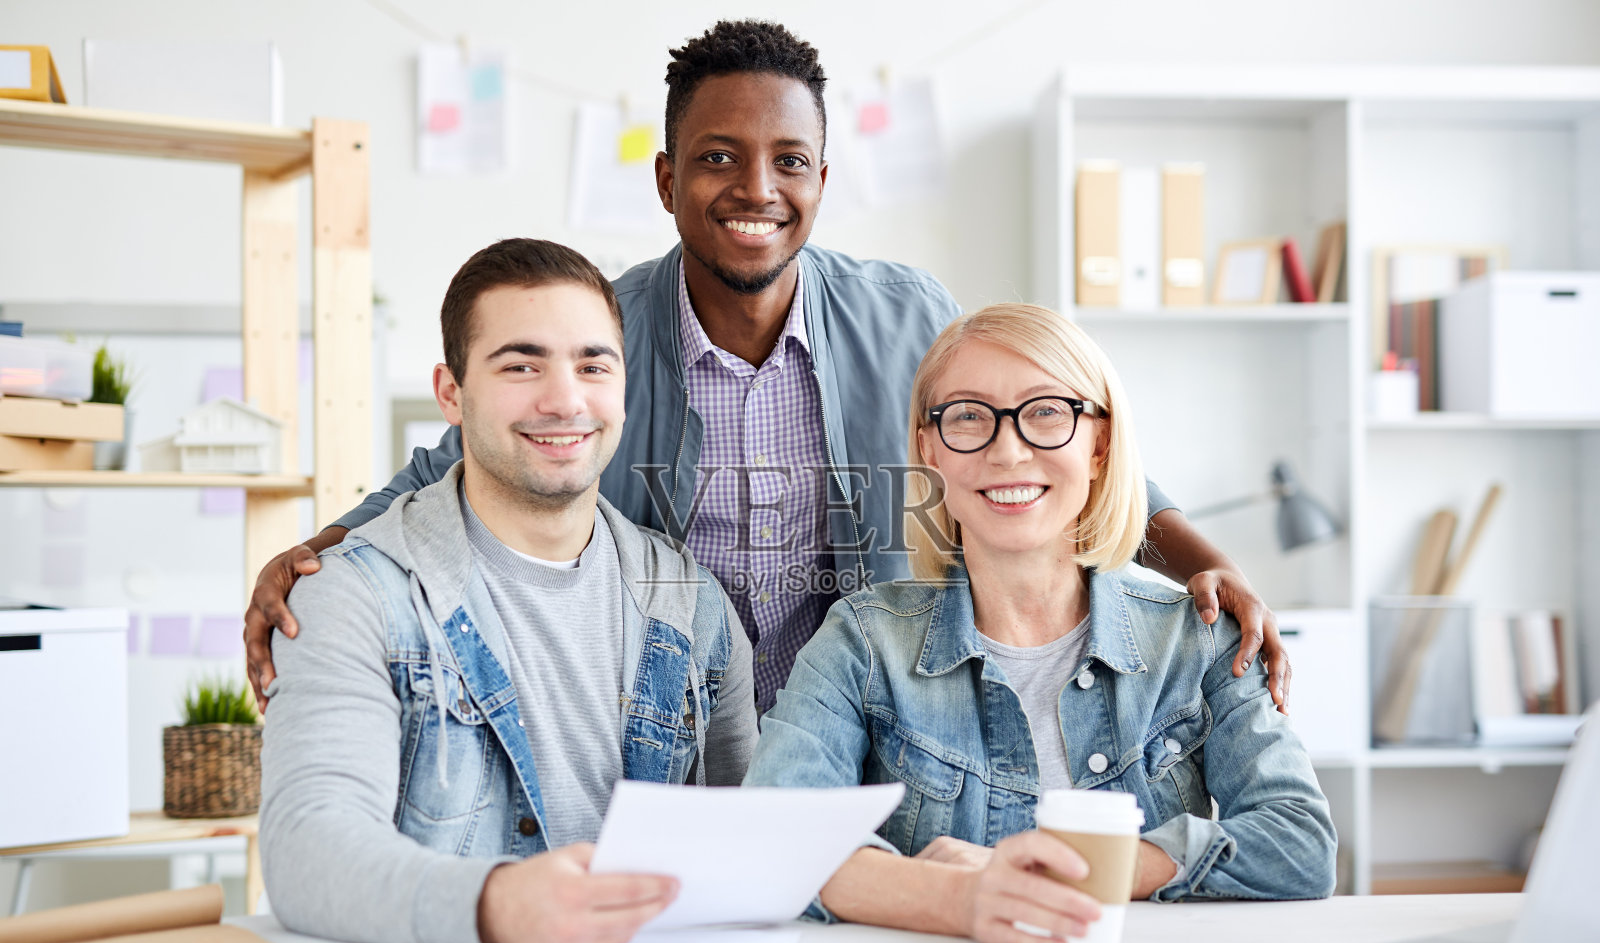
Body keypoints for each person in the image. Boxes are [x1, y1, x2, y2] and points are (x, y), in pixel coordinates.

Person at [244, 19, 1290, 717]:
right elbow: (451, 467)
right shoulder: (602, 335)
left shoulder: (909, 315)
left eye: (788, 159)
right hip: (660, 746)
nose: (757, 186)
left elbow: (1066, 452)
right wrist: (314, 551)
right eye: (717, 156)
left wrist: (1206, 560)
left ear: (822, 178)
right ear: (664, 179)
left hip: (880, 742)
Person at [742, 303, 1335, 943]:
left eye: (1047, 412)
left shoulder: (1196, 637)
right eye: (968, 415)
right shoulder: (860, 641)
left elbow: (1299, 844)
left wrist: (1100, 867)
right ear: (928, 446)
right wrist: (961, 899)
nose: (1008, 450)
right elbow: (772, 841)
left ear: (1100, 442)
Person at [259, 239, 757, 943]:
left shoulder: (691, 605)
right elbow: (308, 851)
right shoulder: (353, 595)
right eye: (521, 365)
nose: (564, 399)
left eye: (593, 365)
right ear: (451, 393)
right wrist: (497, 904)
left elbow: (748, 836)